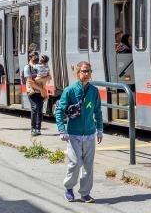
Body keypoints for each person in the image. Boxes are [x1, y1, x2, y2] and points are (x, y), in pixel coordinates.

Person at [55, 61, 103, 203]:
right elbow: (59, 110)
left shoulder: (94, 91)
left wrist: (99, 129)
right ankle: (69, 188)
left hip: (89, 133)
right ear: (77, 73)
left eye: (88, 71)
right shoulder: (69, 91)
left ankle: (85, 193)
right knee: (75, 163)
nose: (87, 74)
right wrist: (61, 129)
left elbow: (98, 111)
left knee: (88, 166)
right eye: (84, 71)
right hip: (73, 134)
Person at [24, 51, 44, 136]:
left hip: (40, 91)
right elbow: (30, 81)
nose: (36, 57)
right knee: (35, 108)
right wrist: (40, 87)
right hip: (32, 91)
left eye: (37, 55)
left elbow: (46, 77)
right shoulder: (27, 67)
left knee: (40, 110)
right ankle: (33, 128)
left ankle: (38, 129)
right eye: (34, 56)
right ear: (30, 57)